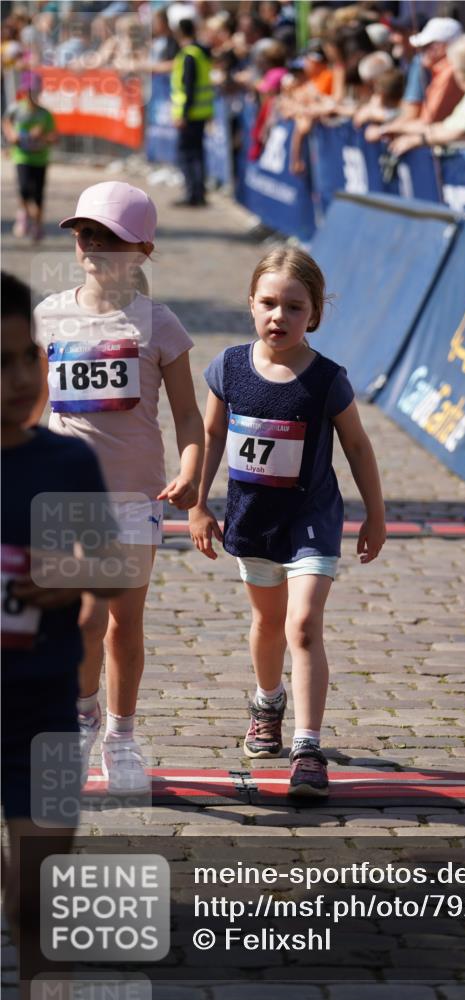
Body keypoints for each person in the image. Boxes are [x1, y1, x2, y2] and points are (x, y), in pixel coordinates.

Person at [189, 247, 386, 797]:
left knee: (302, 625)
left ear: (315, 314)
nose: (280, 316)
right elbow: (208, 438)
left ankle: (308, 746)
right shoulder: (227, 368)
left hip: (312, 520)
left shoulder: (327, 379)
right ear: (251, 305)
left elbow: (358, 447)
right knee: (268, 624)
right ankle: (267, 700)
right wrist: (199, 504)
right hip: (253, 520)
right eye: (269, 304)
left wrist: (376, 512)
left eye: (294, 307)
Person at [34, 181, 204, 793]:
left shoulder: (160, 324)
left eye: (109, 237)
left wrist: (191, 468)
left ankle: (123, 735)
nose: (94, 246)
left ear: (143, 249)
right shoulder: (49, 314)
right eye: (86, 234)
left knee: (123, 622)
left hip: (135, 496)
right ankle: (82, 718)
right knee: (82, 620)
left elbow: (188, 414)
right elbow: (30, 402)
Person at [1, 272, 124, 988]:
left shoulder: (64, 461)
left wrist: (64, 579)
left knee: (36, 905)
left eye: (28, 356)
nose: (21, 378)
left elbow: (111, 567)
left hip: (43, 716)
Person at [387, 34, 465, 156]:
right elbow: (444, 128)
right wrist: (395, 128)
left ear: (462, 68)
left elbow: (460, 133)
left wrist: (418, 140)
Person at [2, 71, 57, 242]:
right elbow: (6, 122)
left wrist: (40, 136)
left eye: (34, 91)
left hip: (40, 158)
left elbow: (54, 137)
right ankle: (24, 215)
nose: (30, 95)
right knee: (24, 189)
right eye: (28, 91)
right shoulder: (16, 108)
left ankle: (38, 226)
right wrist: (11, 135)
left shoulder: (45, 114)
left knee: (38, 194)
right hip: (22, 157)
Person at [170, 17, 214, 206]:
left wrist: (183, 115)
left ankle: (192, 194)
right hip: (201, 112)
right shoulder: (201, 52)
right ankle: (198, 192)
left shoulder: (189, 54)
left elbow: (189, 87)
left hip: (191, 114)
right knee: (197, 154)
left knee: (187, 155)